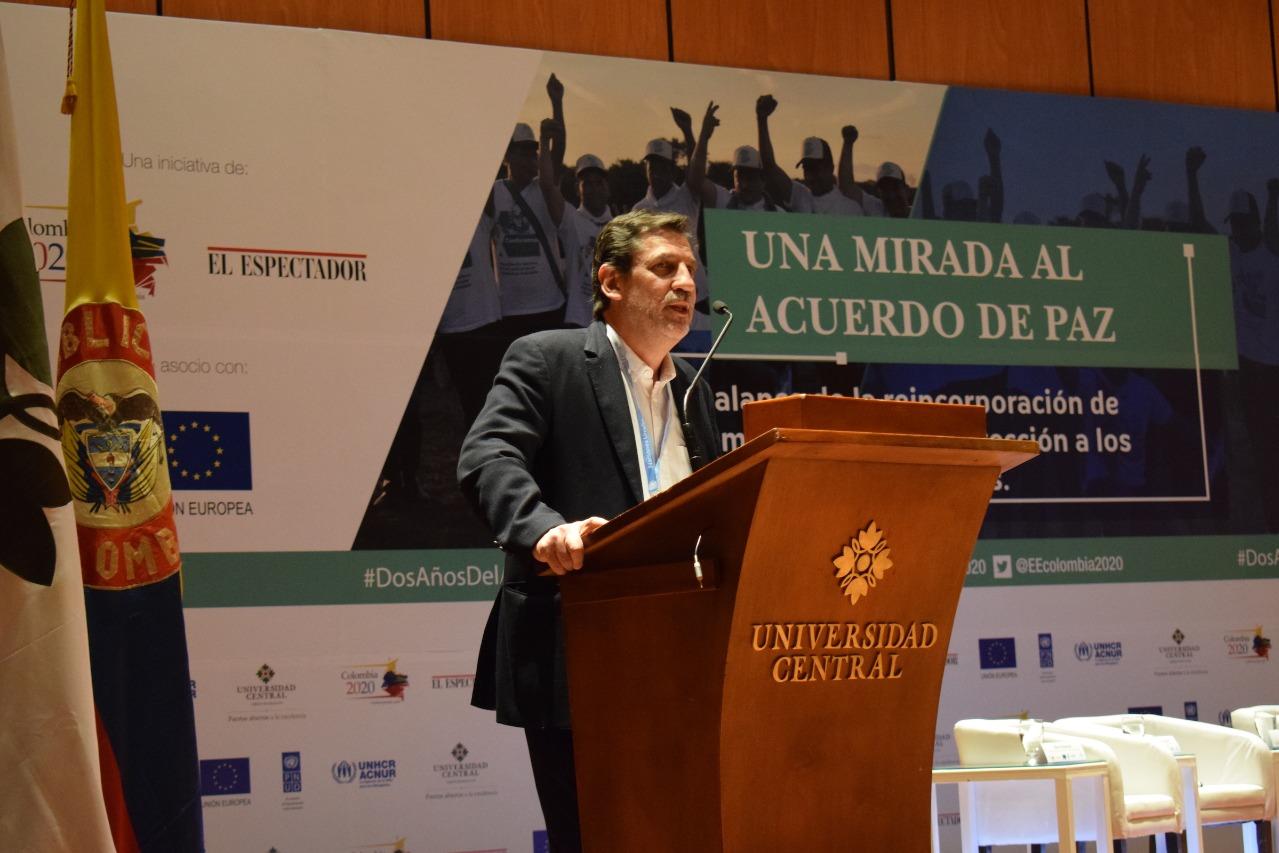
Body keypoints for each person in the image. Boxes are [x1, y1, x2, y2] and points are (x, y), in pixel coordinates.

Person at [458, 210, 721, 852]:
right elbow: (488, 455)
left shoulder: (693, 389)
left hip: (684, 652)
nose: (686, 283)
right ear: (611, 281)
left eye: (690, 269)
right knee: (593, 835)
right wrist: (543, 530)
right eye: (665, 268)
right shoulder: (549, 359)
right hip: (579, 644)